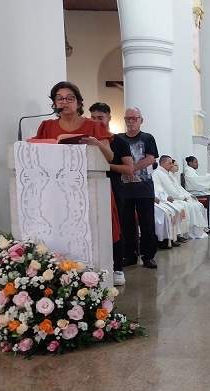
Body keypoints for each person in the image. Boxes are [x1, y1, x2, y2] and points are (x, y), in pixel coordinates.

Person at [33, 83, 123, 284]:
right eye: (59, 98)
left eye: (69, 98)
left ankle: (97, 278)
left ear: (79, 101)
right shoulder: (47, 127)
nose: (64, 102)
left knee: (93, 235)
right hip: (57, 192)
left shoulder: (94, 126)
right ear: (54, 103)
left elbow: (110, 157)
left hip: (89, 189)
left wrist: (96, 143)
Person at [89, 102, 134, 286]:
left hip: (113, 188)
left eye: (100, 118)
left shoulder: (119, 142)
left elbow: (129, 168)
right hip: (90, 189)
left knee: (115, 228)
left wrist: (105, 166)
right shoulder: (87, 139)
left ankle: (117, 269)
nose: (96, 121)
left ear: (109, 118)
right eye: (92, 118)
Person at [118, 107, 159, 269]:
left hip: (144, 188)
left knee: (147, 223)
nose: (131, 122)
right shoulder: (119, 139)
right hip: (124, 189)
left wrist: (131, 168)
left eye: (134, 118)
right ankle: (129, 255)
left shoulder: (147, 138)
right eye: (128, 118)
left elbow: (150, 158)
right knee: (126, 224)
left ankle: (148, 256)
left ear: (141, 120)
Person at [153, 155, 210, 239]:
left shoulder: (168, 174)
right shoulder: (158, 173)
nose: (171, 165)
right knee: (184, 207)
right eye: (169, 163)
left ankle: (196, 230)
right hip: (169, 199)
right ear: (162, 163)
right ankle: (181, 234)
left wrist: (186, 195)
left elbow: (177, 189)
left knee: (196, 205)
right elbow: (164, 189)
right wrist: (175, 197)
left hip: (174, 198)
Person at [184, 156, 210, 230]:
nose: (198, 164)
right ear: (190, 163)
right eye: (196, 162)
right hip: (195, 192)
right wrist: (208, 178)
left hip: (199, 190)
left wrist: (207, 178)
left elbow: (198, 180)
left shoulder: (192, 171)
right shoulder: (188, 171)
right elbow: (195, 182)